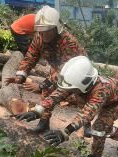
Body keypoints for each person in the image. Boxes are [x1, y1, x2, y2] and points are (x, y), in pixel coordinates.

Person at [15, 56, 118, 157]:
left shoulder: (101, 89)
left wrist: (65, 132)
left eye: (72, 89)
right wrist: (38, 110)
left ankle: (110, 149)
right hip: (96, 95)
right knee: (80, 101)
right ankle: (87, 128)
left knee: (100, 127)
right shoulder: (79, 83)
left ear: (85, 83)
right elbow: (58, 94)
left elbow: (87, 113)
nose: (69, 91)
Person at [6, 5, 86, 133]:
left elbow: (65, 70)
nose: (43, 33)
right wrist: (22, 74)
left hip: (77, 71)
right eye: (40, 30)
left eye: (47, 30)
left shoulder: (68, 42)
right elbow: (30, 56)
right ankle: (44, 122)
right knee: (46, 93)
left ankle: (87, 126)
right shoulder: (39, 37)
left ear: (56, 28)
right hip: (56, 70)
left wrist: (43, 84)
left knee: (82, 98)